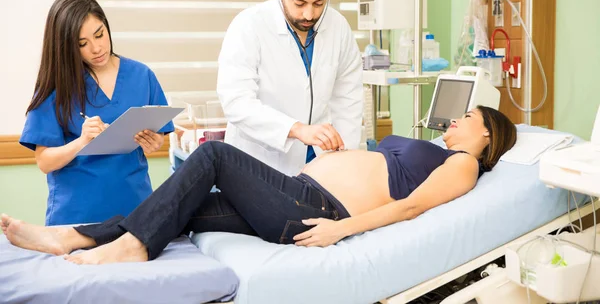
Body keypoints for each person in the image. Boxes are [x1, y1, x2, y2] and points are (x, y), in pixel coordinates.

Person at [2, 106, 516, 264]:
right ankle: (70, 236)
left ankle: (130, 248)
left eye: (467, 115)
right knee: (180, 206)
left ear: (487, 133)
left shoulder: (464, 165)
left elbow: (410, 209)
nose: (455, 119)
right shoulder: (443, 152)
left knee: (214, 156)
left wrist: (343, 232)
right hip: (298, 192)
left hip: (317, 210)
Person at [19, 0, 174, 226]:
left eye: (99, 34)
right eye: (82, 43)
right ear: (66, 47)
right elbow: (44, 162)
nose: (96, 48)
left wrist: (154, 142)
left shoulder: (142, 76)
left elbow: (159, 137)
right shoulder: (57, 87)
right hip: (75, 220)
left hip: (135, 215)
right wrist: (81, 142)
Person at [217, 0, 363, 176]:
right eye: (299, 3)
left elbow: (348, 101)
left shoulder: (338, 27)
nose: (309, 14)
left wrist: (345, 162)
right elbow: (236, 102)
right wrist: (296, 129)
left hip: (319, 167)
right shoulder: (249, 25)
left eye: (319, 3)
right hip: (259, 164)